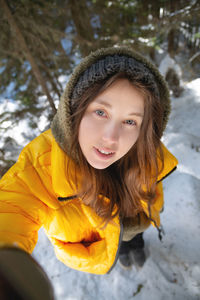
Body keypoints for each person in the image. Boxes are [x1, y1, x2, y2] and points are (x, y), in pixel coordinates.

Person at [0, 46, 178, 275]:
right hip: (102, 239)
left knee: (134, 237)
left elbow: (151, 188)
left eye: (130, 121)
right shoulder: (41, 166)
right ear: (75, 109)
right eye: (101, 112)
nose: (111, 138)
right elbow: (11, 211)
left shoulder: (145, 152)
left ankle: (135, 243)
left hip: (136, 223)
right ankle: (122, 250)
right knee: (121, 246)